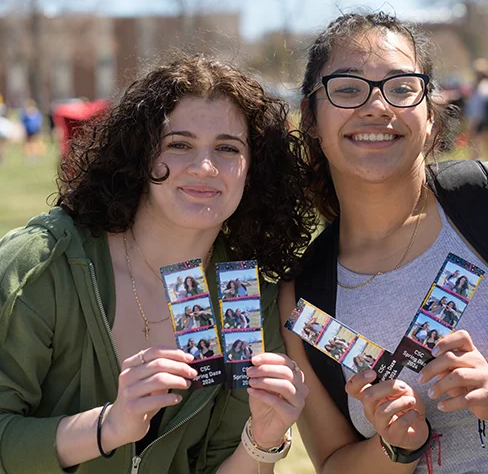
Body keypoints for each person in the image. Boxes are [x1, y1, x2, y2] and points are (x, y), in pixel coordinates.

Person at [278, 11, 488, 473]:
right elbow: (333, 464)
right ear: (311, 117)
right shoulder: (304, 299)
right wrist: (397, 447)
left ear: (431, 115)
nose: (376, 106)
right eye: (346, 87)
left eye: (401, 87)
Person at [0, 52, 315, 474]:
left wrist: (261, 441)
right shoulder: (41, 265)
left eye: (227, 148)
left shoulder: (248, 304)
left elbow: (219, 463)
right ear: (140, 156)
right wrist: (108, 426)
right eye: (179, 144)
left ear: (252, 171)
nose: (204, 167)